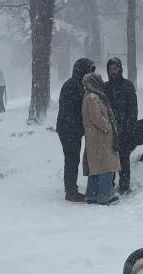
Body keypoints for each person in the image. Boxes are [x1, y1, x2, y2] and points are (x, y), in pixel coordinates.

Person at [56, 58, 96, 203]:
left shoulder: (78, 84)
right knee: (72, 159)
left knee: (73, 159)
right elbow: (71, 111)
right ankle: (71, 191)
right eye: (88, 71)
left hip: (72, 129)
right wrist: (80, 126)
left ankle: (71, 188)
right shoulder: (72, 85)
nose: (90, 74)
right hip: (69, 130)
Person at [81, 73, 121, 206]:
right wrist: (108, 127)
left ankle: (92, 195)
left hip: (96, 137)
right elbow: (96, 117)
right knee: (105, 166)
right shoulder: (93, 97)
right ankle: (104, 196)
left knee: (96, 167)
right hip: (101, 137)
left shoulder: (91, 96)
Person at [105, 57, 138, 195]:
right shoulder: (105, 87)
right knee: (110, 159)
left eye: (115, 68)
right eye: (110, 69)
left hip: (125, 128)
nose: (113, 71)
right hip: (110, 129)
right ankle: (109, 185)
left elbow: (133, 109)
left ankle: (124, 185)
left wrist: (130, 127)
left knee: (124, 158)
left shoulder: (128, 85)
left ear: (120, 69)